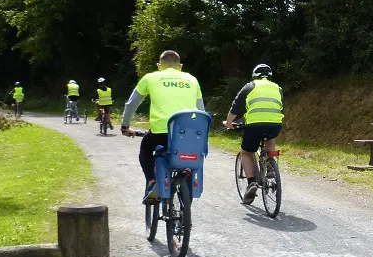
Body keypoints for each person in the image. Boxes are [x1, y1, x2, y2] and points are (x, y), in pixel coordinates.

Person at [120, 51, 205, 202]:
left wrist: (125, 126)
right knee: (186, 154)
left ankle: (152, 182)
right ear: (180, 67)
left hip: (160, 132)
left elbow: (131, 104)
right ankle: (186, 175)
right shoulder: (192, 80)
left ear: (159, 66)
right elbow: (201, 111)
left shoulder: (150, 77)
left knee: (146, 148)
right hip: (187, 134)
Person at [223, 64, 283, 204]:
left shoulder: (250, 86)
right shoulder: (277, 88)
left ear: (254, 75)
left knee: (246, 152)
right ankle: (270, 169)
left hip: (254, 125)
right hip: (275, 124)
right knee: (270, 138)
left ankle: (251, 183)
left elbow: (236, 106)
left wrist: (228, 123)